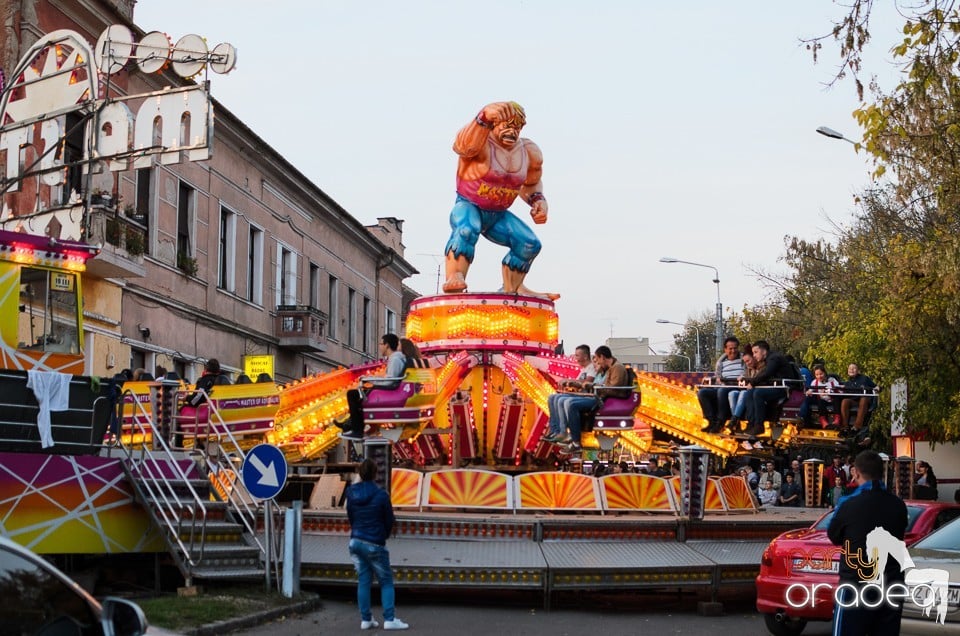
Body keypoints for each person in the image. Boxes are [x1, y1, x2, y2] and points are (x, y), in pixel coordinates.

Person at [441, 101, 558, 300]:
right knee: (467, 229)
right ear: (495, 124)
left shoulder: (529, 151)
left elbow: (531, 183)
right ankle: (454, 275)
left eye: (517, 126)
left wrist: (538, 200)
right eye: (507, 125)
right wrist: (483, 116)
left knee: (530, 243)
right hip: (469, 205)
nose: (512, 131)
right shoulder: (480, 140)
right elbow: (462, 147)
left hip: (498, 214)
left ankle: (513, 288)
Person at [827, 450, 909, 636]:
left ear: (855, 472)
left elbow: (834, 536)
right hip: (890, 583)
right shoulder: (897, 504)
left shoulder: (848, 503)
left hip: (856, 584)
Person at [346, 459, 409, 631]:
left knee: (364, 580)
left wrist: (357, 531)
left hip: (356, 541)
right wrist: (384, 535)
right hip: (374, 542)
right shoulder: (381, 495)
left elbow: (351, 516)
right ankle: (389, 619)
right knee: (386, 581)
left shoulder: (351, 493)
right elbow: (389, 520)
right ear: (375, 474)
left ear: (360, 473)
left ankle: (366, 619)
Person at [554, 346, 630, 454]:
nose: (596, 363)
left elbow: (612, 388)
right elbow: (603, 384)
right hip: (598, 395)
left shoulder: (617, 368)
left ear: (602, 357)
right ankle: (566, 434)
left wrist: (594, 386)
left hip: (603, 399)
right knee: (562, 400)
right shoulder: (607, 368)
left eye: (598, 360)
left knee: (570, 404)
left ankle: (575, 441)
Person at [341, 334, 408, 441]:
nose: (380, 347)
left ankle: (356, 430)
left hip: (391, 389)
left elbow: (390, 380)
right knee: (359, 394)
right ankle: (352, 425)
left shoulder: (395, 359)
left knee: (352, 394)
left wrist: (370, 380)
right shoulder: (397, 358)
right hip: (392, 387)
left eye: (381, 344)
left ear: (387, 345)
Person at [741, 340, 801, 437]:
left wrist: (753, 382)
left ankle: (759, 425)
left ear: (764, 351)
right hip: (776, 386)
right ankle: (751, 423)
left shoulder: (774, 358)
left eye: (756, 352)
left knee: (758, 393)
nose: (754, 355)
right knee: (750, 393)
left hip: (784, 389)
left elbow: (767, 373)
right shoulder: (768, 359)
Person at [542, 344, 596, 442]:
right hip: (579, 394)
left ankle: (563, 432)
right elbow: (577, 384)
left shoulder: (591, 368)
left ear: (585, 356)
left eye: (577, 355)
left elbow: (587, 382)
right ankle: (555, 430)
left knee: (561, 400)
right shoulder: (583, 369)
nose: (575, 358)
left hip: (586, 396)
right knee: (552, 398)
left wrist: (570, 381)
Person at [698, 337, 746, 433]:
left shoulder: (744, 360)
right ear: (725, 349)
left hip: (737, 387)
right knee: (703, 392)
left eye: (735, 348)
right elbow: (717, 377)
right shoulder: (722, 362)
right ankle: (711, 421)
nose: (733, 351)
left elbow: (749, 373)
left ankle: (721, 421)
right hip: (723, 385)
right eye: (730, 348)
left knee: (722, 390)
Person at [726, 346, 763, 432]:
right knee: (732, 393)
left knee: (743, 393)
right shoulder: (748, 370)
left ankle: (734, 420)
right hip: (748, 391)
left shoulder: (761, 368)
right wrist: (742, 377)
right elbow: (745, 379)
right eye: (745, 362)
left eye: (748, 361)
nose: (747, 363)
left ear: (754, 358)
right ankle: (736, 422)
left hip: (754, 392)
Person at [799, 363, 842, 429]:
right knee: (819, 400)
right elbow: (811, 390)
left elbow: (839, 390)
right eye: (817, 375)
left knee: (837, 399)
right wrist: (809, 392)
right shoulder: (814, 382)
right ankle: (823, 421)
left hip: (832, 399)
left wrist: (829, 391)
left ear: (825, 373)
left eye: (821, 374)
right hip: (822, 400)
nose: (819, 376)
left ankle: (837, 419)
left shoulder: (832, 380)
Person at [839, 363, 877, 435]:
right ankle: (845, 427)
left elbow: (874, 386)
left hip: (865, 400)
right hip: (854, 400)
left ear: (858, 370)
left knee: (863, 399)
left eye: (854, 368)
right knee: (845, 401)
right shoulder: (847, 383)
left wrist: (877, 388)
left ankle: (857, 426)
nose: (851, 370)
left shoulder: (864, 378)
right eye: (850, 368)